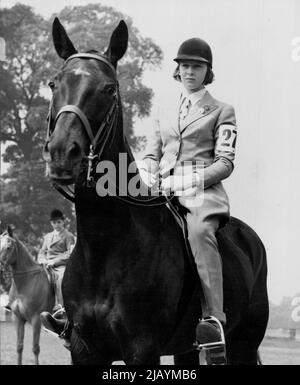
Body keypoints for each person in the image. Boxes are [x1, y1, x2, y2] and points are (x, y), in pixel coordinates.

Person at [140, 37, 237, 347]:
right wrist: (148, 172)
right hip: (161, 188)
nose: (190, 71)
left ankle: (213, 319)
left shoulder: (222, 110)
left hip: (202, 192)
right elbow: (152, 153)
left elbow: (225, 163)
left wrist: (184, 182)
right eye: (184, 66)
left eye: (197, 66)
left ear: (207, 71)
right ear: (177, 70)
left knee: (198, 232)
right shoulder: (162, 108)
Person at [39, 209, 75, 332]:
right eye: (54, 223)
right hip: (47, 264)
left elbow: (69, 253)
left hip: (60, 264)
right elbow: (42, 251)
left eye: (59, 222)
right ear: (51, 224)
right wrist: (43, 260)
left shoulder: (69, 236)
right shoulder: (48, 237)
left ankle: (61, 307)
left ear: (63, 222)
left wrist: (54, 261)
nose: (56, 225)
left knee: (61, 278)